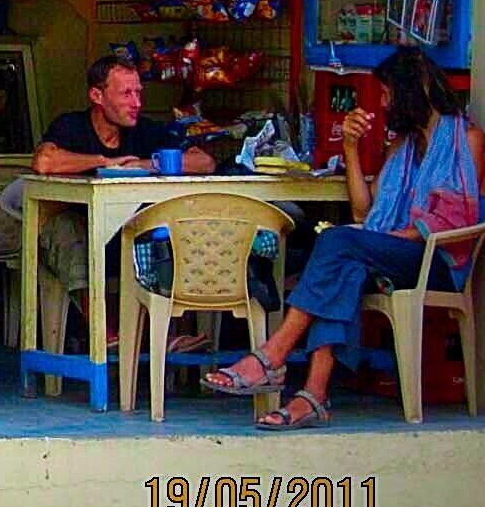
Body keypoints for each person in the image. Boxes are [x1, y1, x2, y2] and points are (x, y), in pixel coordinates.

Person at [203, 47, 483, 429]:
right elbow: (363, 213)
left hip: (438, 260)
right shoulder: (402, 145)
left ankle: (271, 355)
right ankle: (313, 395)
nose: (382, 104)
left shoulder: (467, 139)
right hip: (389, 252)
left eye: (387, 94)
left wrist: (383, 239)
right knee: (346, 268)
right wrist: (350, 148)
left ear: (410, 91)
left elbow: (453, 221)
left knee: (339, 243)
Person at [29, 54, 216, 347]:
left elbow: (204, 162)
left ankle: (165, 334)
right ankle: (106, 332)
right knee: (67, 229)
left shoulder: (145, 131)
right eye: (126, 94)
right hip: (79, 238)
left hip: (126, 238)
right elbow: (44, 161)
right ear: (97, 96)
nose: (136, 103)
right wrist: (104, 161)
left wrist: (146, 164)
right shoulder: (71, 127)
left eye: (139, 93)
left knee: (164, 231)